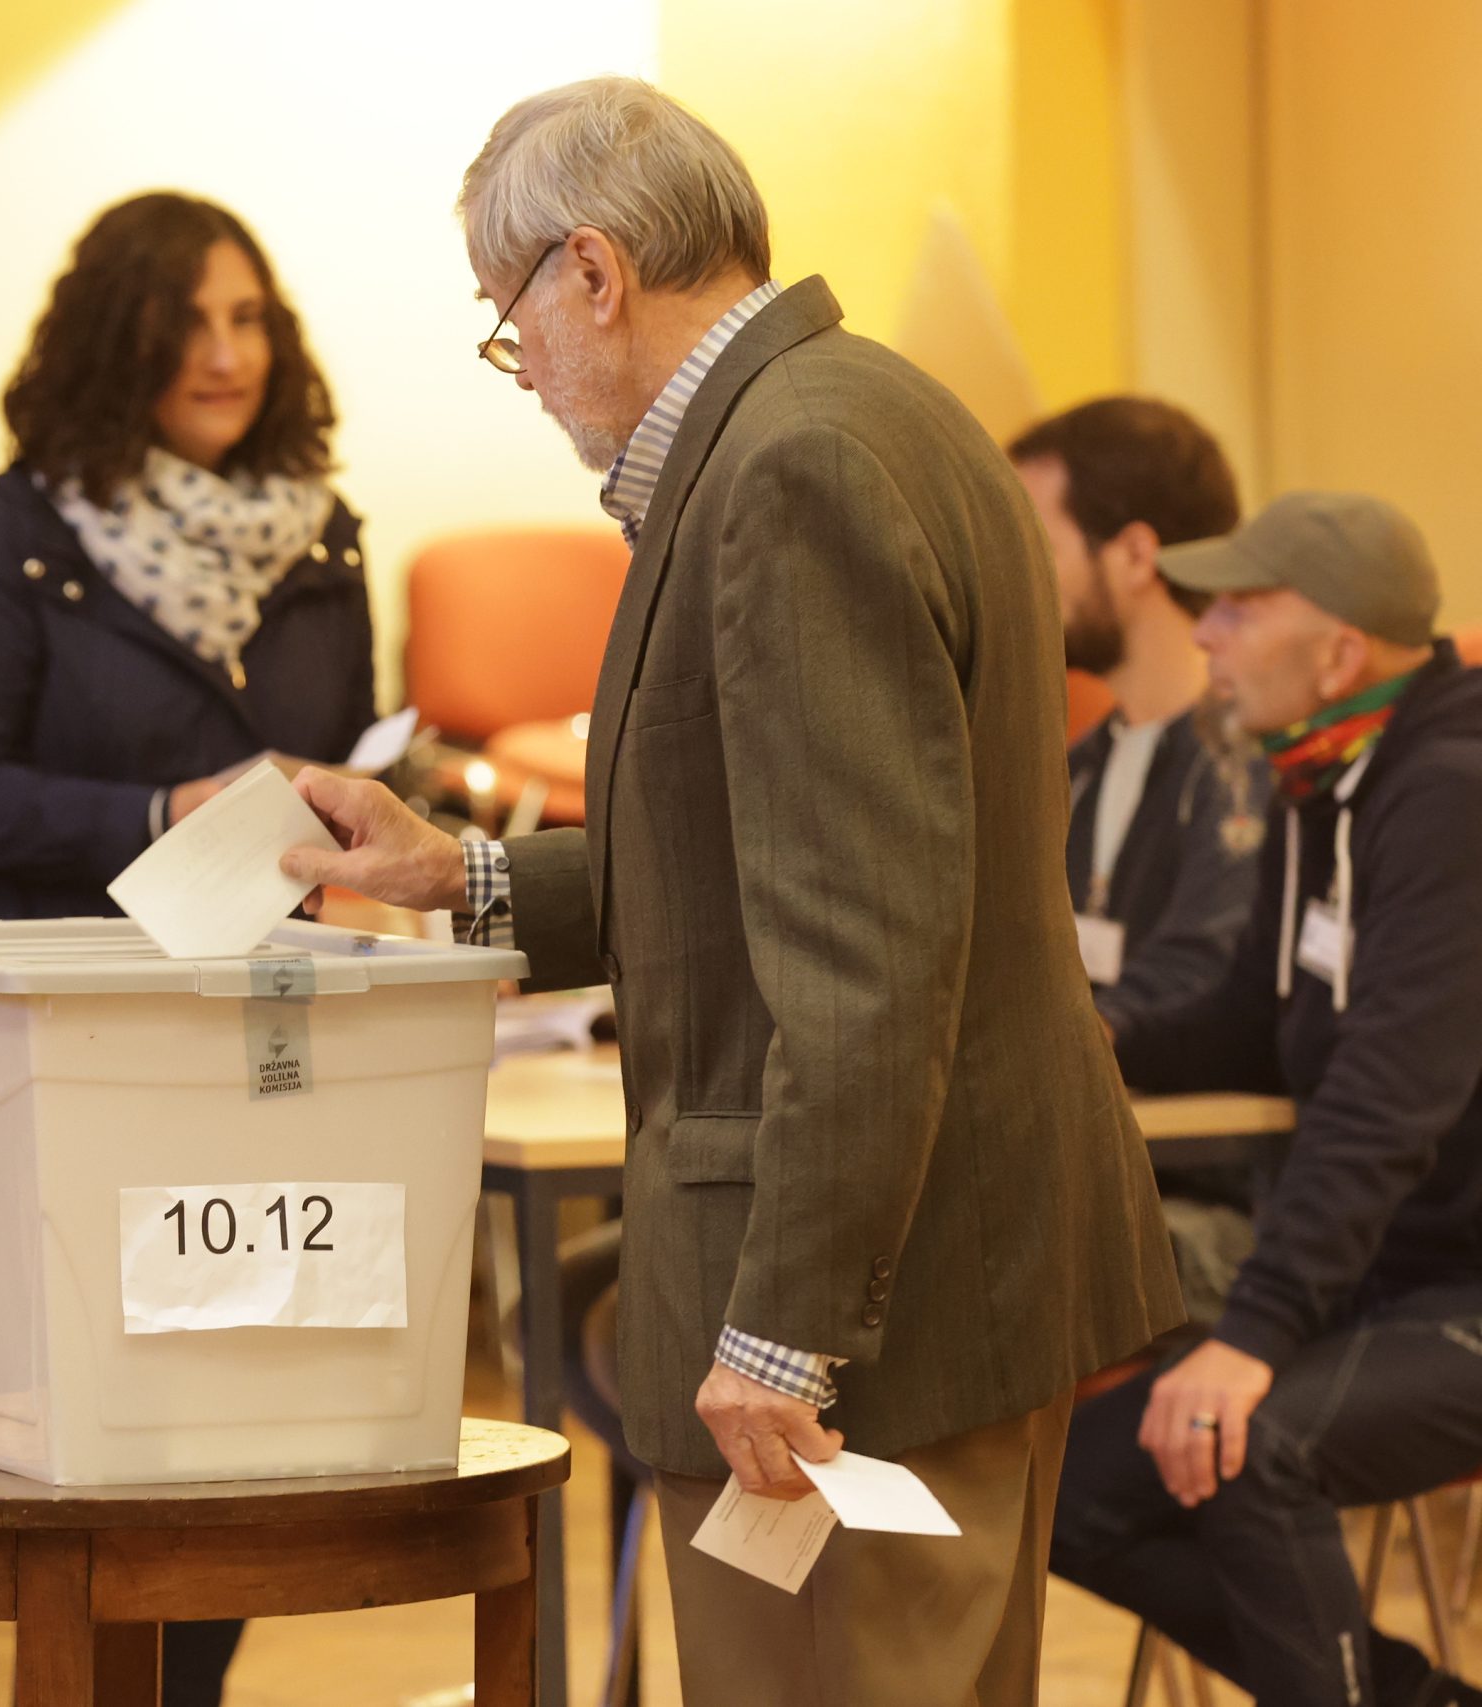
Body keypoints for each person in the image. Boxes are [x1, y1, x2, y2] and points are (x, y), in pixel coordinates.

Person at [280, 77, 1180, 1705]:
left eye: (512, 321)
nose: (527, 368)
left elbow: (866, 951)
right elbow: (748, 849)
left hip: (870, 1314)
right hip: (955, 1263)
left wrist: (788, 1329)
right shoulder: (859, 410)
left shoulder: (789, 468)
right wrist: (453, 870)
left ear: (595, 272)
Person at [1051, 493, 1482, 1707]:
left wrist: (1251, 1335)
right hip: (1401, 1285)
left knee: (1241, 1447)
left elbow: (1391, 1096)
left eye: (1240, 607)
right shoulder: (1325, 776)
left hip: (1460, 1295)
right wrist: (1081, 1045)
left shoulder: (1448, 792)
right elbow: (1246, 1018)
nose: (1208, 634)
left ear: (1338, 653)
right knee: (1068, 1495)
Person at [0, 191, 375, 932]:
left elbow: (344, 747)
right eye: (186, 323)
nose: (227, 357)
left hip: (267, 990)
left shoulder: (323, 534)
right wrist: (162, 813)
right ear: (111, 342)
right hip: (65, 989)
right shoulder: (14, 542)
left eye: (247, 319)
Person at [1009, 397, 1270, 1331]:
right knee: (621, 1295)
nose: (1017, 573)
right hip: (1071, 1162)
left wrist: (1029, 1047)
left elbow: (1205, 978)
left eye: (1037, 538)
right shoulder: (1073, 760)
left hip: (1202, 1195)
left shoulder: (1249, 763)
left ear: (1133, 555)